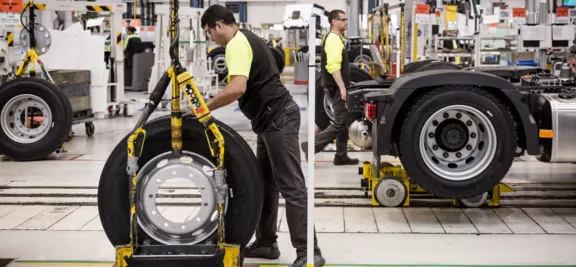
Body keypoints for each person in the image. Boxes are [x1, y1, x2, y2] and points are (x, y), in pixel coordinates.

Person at [200, 5, 325, 267]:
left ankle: (309, 252)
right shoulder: (246, 38)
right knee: (264, 185)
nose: (210, 38)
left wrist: (204, 108)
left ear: (218, 25)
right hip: (269, 120)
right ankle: (267, 243)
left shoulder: (236, 44)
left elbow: (237, 88)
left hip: (278, 119)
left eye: (209, 32)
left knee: (291, 186)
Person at [301, 10, 359, 166]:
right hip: (335, 87)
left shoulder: (337, 39)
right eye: (343, 19)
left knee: (344, 120)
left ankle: (341, 155)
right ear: (334, 21)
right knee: (341, 121)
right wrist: (342, 87)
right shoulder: (333, 40)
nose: (346, 22)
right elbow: (333, 67)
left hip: (335, 86)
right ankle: (310, 146)